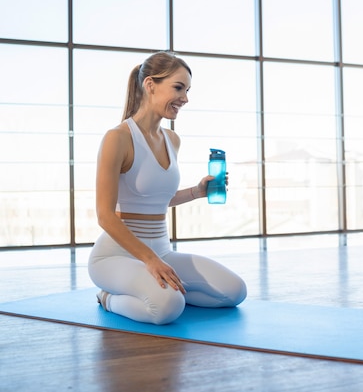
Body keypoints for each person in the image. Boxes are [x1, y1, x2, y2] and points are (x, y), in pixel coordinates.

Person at [88, 51, 247, 325]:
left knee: (234, 291)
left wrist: (197, 191)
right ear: (150, 85)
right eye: (178, 88)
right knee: (167, 307)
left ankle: (162, 292)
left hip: (162, 252)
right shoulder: (118, 138)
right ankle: (107, 298)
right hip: (116, 257)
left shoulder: (172, 140)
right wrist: (150, 261)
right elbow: (104, 215)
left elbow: (156, 198)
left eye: (187, 90)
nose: (185, 98)